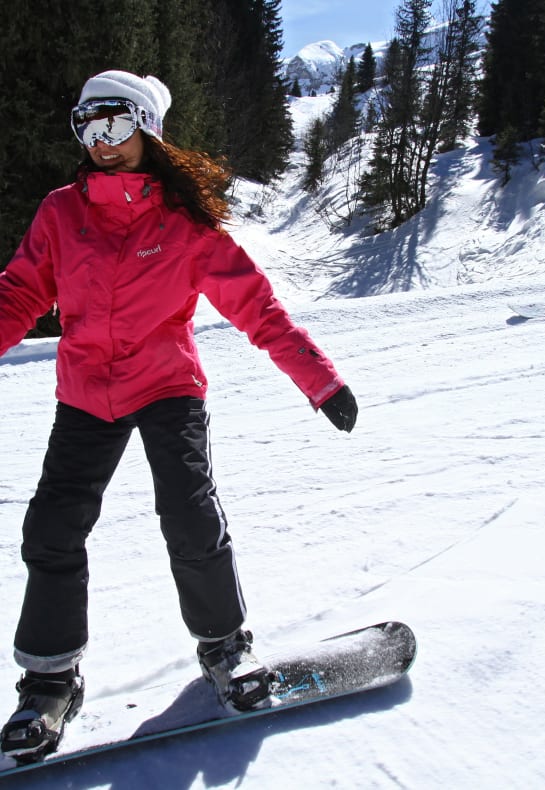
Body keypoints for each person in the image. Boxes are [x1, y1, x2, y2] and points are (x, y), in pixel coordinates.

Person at [0, 70, 358, 761]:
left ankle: (226, 649)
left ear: (146, 129)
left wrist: (321, 381)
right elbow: (16, 296)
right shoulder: (60, 213)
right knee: (51, 529)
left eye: (114, 126)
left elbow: (257, 307)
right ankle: (48, 684)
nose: (100, 143)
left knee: (190, 517)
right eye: (87, 128)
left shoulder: (184, 222)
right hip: (84, 392)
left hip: (166, 385)